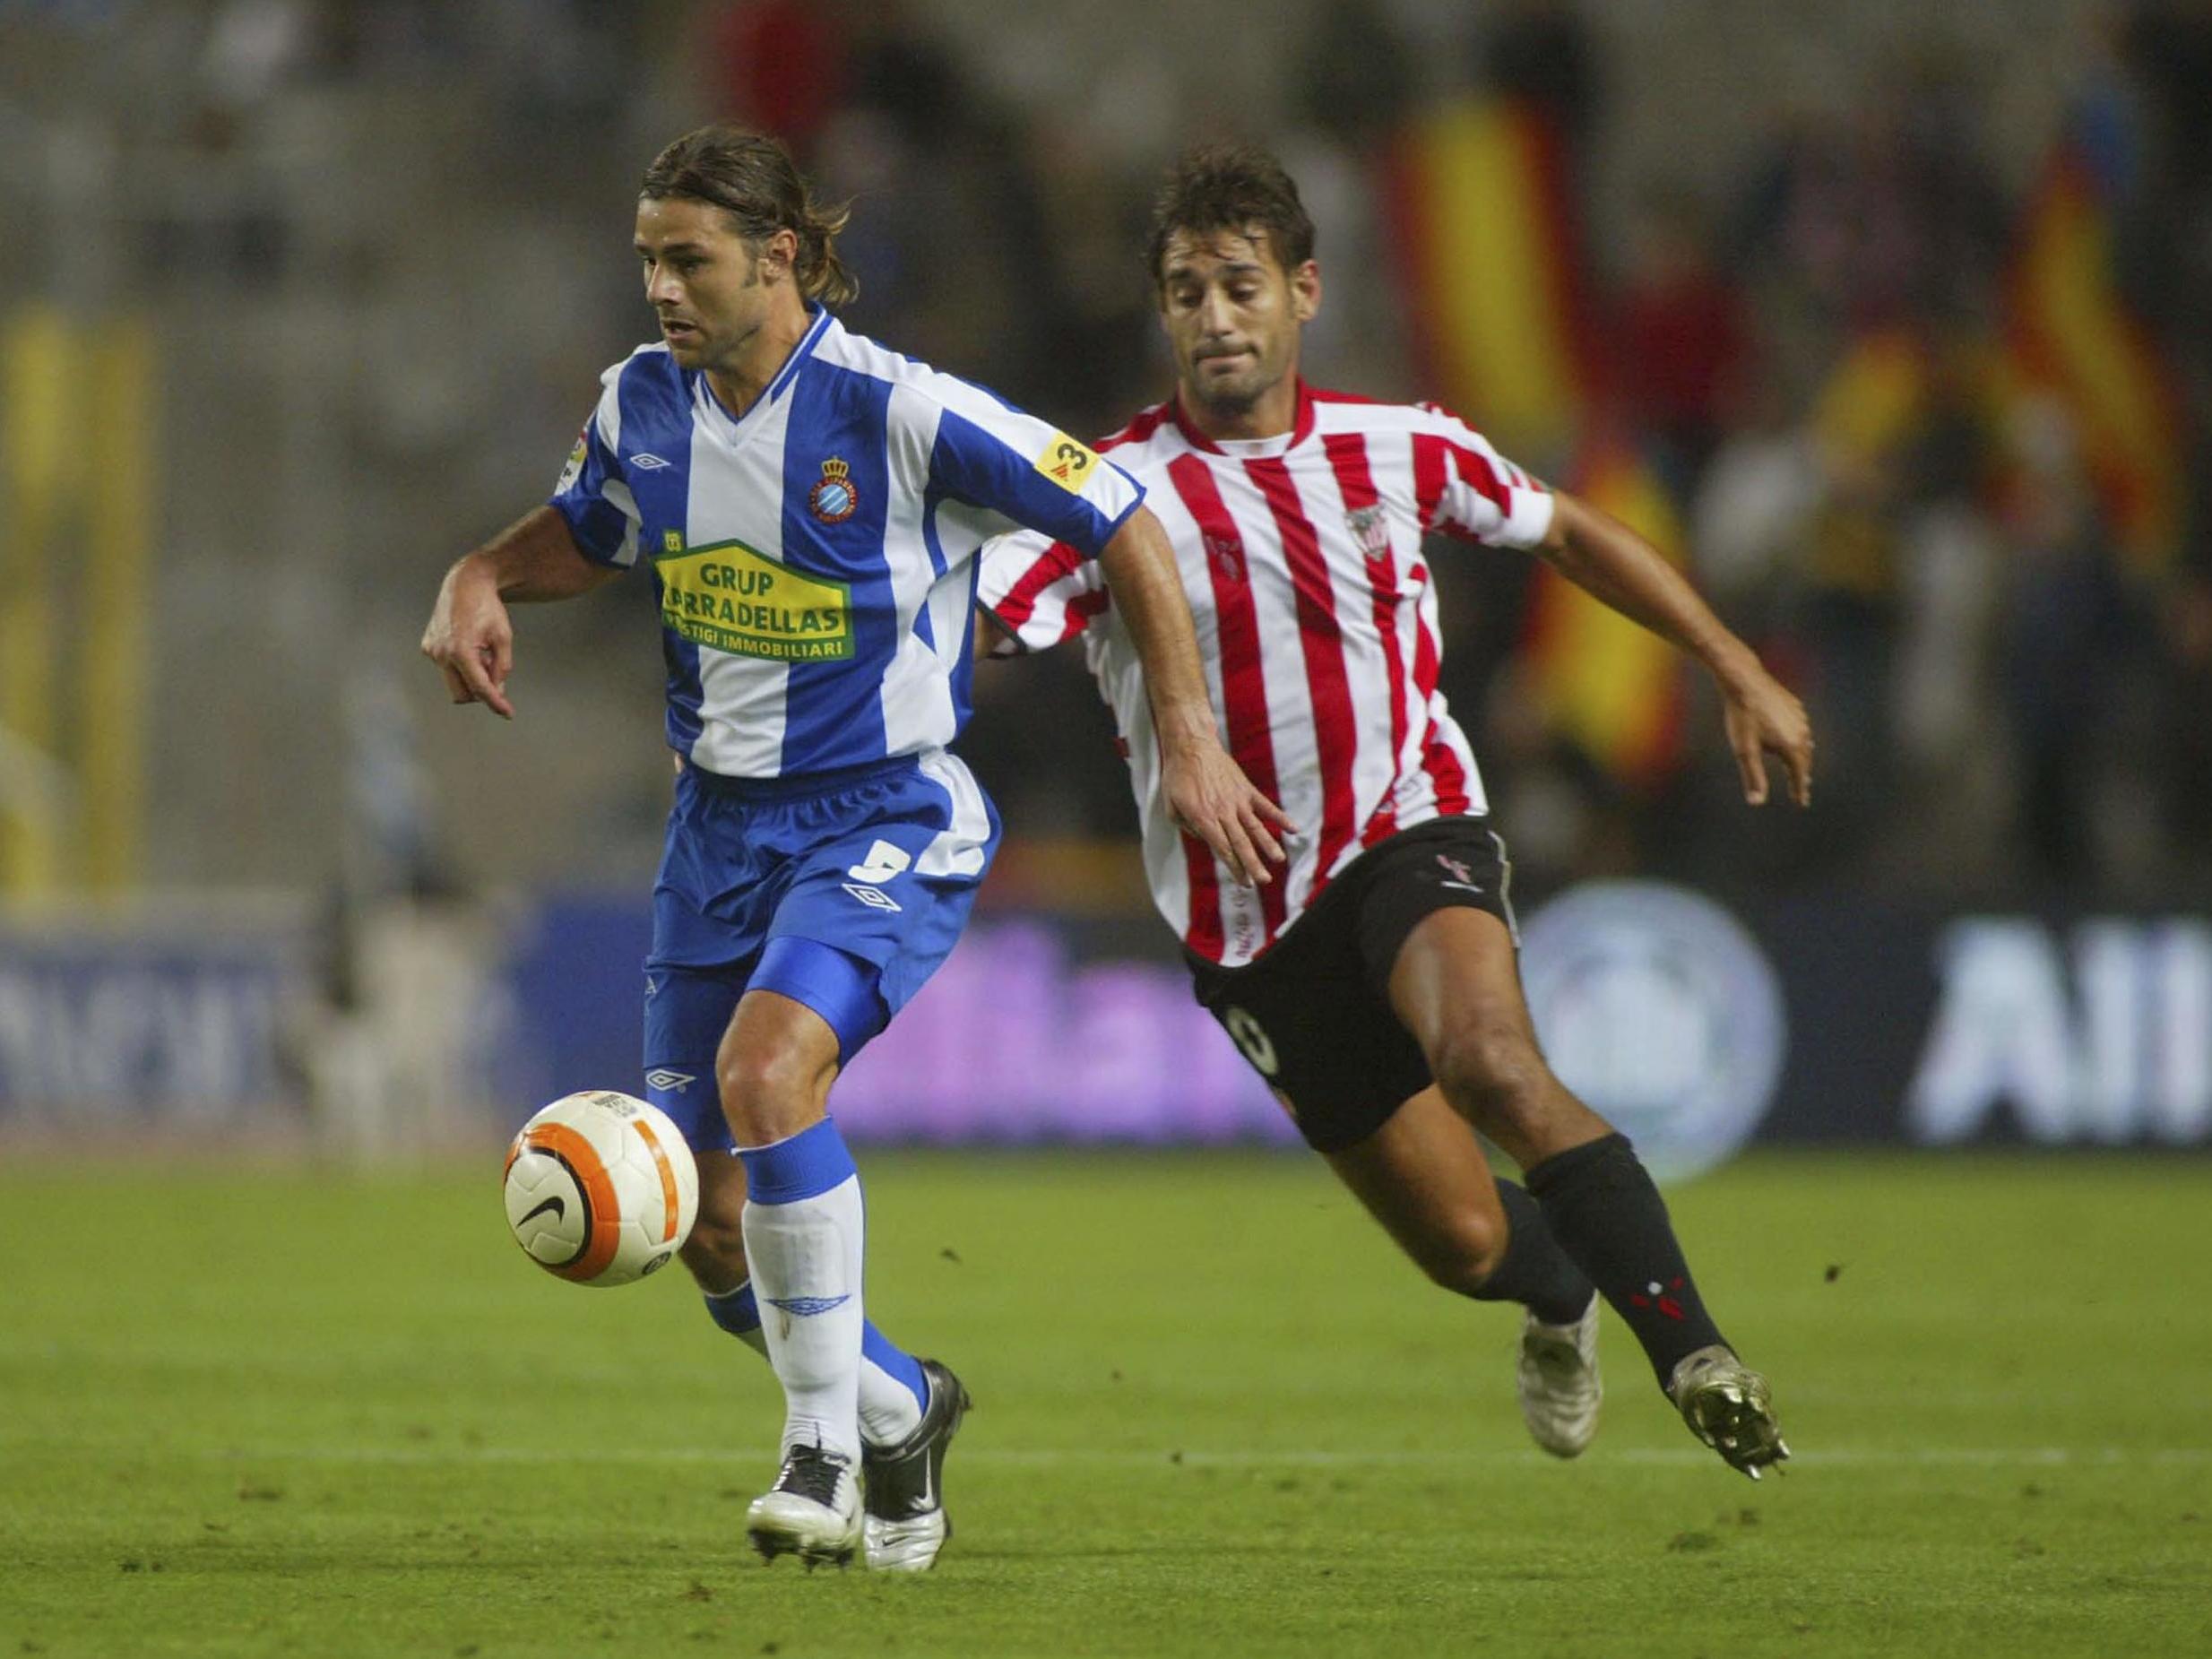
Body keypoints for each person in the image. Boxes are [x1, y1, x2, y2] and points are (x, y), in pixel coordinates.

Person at [420, 125, 1288, 1570]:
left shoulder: (903, 412)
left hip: (880, 812)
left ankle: (818, 1448)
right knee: (700, 1221)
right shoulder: (642, 402)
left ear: (779, 257)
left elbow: (1121, 515)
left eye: (688, 259)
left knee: (771, 1075)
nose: (660, 290)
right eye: (647, 260)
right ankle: (898, 1407)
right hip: (715, 833)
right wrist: (482, 573)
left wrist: (1189, 734)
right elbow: (596, 528)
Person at [978, 144, 1813, 1478]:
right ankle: (1559, 1294)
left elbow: (1571, 533)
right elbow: (985, 616)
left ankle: (1699, 1356)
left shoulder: (1402, 448)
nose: (1215, 316)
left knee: (1489, 1061)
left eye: (1241, 285)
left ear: (1305, 292)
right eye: (1187, 291)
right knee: (1467, 1244)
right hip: (1250, 924)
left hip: (1410, 831)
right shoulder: (1100, 491)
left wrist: (1731, 660)